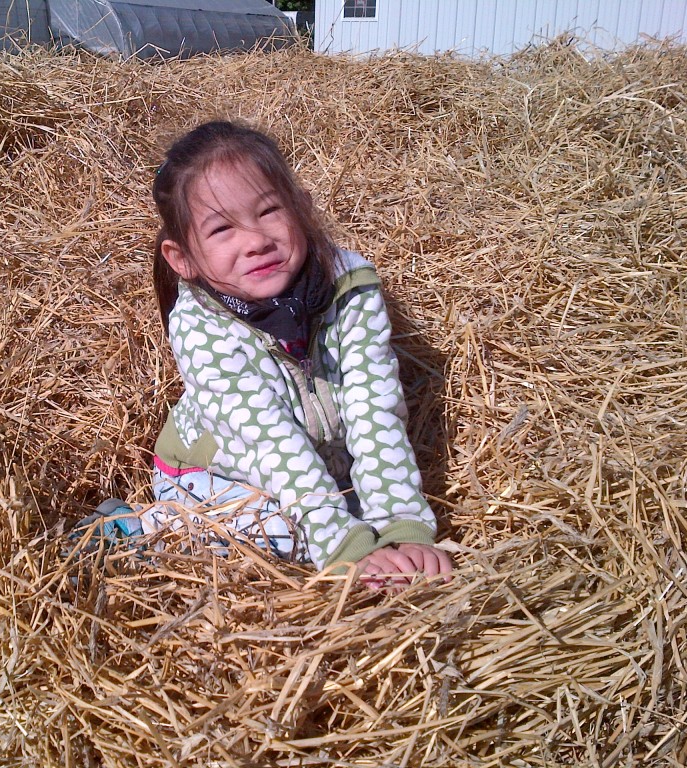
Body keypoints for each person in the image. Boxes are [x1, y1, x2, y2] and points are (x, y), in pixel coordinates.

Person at [86, 120, 452, 589]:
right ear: (184, 258)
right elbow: (273, 448)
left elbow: (374, 410)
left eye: (269, 211)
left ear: (301, 206)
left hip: (319, 470)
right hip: (215, 476)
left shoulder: (349, 288)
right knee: (285, 536)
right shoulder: (201, 326)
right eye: (222, 228)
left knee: (361, 516)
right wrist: (346, 549)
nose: (255, 240)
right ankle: (137, 527)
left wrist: (403, 529)